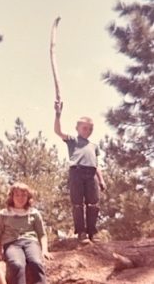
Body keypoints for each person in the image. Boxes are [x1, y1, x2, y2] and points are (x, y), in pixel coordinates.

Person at [54, 101, 107, 243]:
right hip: (76, 172)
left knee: (93, 203)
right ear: (77, 128)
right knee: (77, 203)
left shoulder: (93, 146)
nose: (87, 131)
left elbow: (97, 164)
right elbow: (58, 131)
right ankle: (81, 232)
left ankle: (92, 232)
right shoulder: (72, 140)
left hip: (91, 174)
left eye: (90, 129)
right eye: (85, 128)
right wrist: (58, 114)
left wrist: (101, 179)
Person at [0, 182, 51, 284]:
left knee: (36, 262)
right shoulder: (3, 214)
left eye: (24, 195)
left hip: (30, 242)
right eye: (17, 195)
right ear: (11, 197)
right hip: (11, 244)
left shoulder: (33, 213)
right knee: (17, 264)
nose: (20, 198)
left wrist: (44, 250)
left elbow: (42, 234)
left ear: (28, 197)